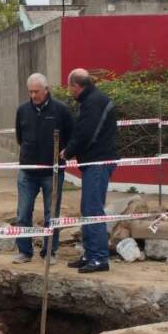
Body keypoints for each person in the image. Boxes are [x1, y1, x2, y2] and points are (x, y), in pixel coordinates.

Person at [13, 73, 74, 264]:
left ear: (46, 90)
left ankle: (49, 252)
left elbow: (71, 136)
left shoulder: (61, 110)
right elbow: (19, 137)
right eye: (30, 92)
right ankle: (24, 251)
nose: (33, 95)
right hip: (27, 172)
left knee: (51, 214)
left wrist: (63, 155)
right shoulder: (22, 110)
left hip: (52, 173)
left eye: (36, 92)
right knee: (23, 214)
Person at [61, 68, 118, 274]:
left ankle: (99, 258)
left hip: (98, 162)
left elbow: (87, 133)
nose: (68, 91)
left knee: (93, 210)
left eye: (69, 87)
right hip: (94, 162)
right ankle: (90, 254)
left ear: (76, 86)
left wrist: (68, 151)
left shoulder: (93, 102)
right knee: (87, 209)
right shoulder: (91, 100)